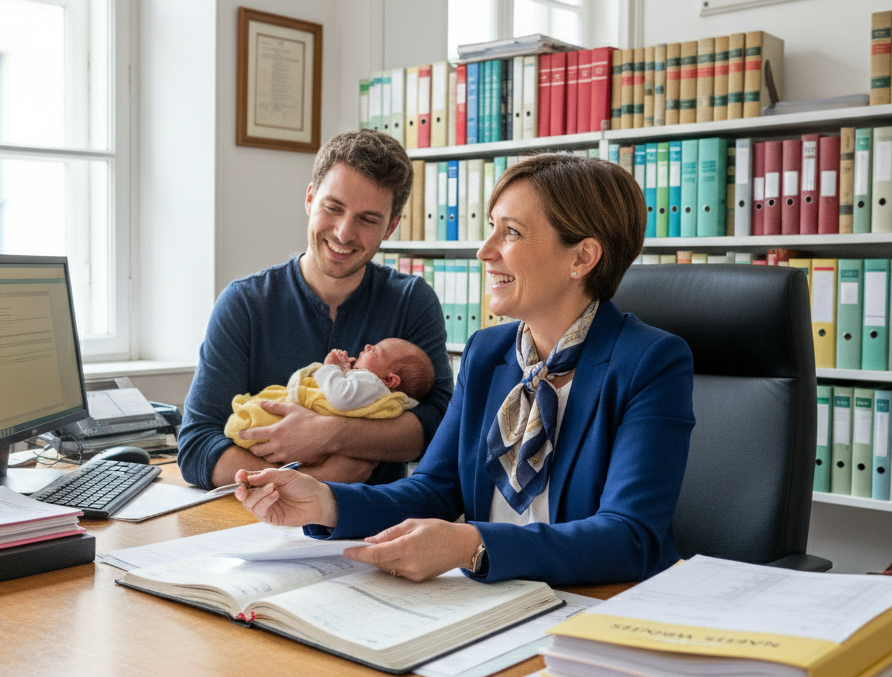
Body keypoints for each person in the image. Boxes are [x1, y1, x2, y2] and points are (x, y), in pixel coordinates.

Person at [235, 151, 696, 587]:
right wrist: (327, 502)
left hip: (596, 608)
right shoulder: (487, 352)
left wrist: (472, 545)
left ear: (581, 257)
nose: (485, 251)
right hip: (491, 601)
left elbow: (630, 536)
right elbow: (434, 489)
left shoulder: (650, 362)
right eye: (491, 228)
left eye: (511, 232)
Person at [177, 129, 454, 489]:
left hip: (371, 527)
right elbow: (197, 446)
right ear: (310, 199)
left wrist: (330, 434)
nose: (343, 233)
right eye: (333, 208)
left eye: (367, 219)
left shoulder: (411, 301)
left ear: (391, 226)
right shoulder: (244, 304)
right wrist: (315, 479)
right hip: (256, 528)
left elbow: (439, 427)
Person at [224, 340, 435, 449]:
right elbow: (349, 392)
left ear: (390, 380)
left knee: (261, 411)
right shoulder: (371, 387)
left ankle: (246, 417)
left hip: (310, 416)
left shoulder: (372, 381)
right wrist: (343, 371)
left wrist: (330, 367)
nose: (368, 345)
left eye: (376, 351)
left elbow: (340, 398)